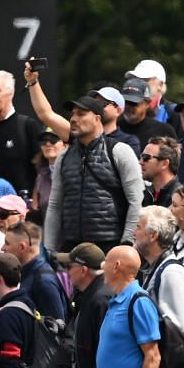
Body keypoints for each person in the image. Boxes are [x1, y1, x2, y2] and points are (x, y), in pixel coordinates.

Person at [42, 88, 141, 253]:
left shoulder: (120, 151)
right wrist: (49, 249)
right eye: (72, 114)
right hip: (72, 247)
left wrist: (126, 244)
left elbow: (136, 201)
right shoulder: (64, 156)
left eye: (81, 114)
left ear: (97, 118)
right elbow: (54, 205)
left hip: (111, 245)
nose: (73, 119)